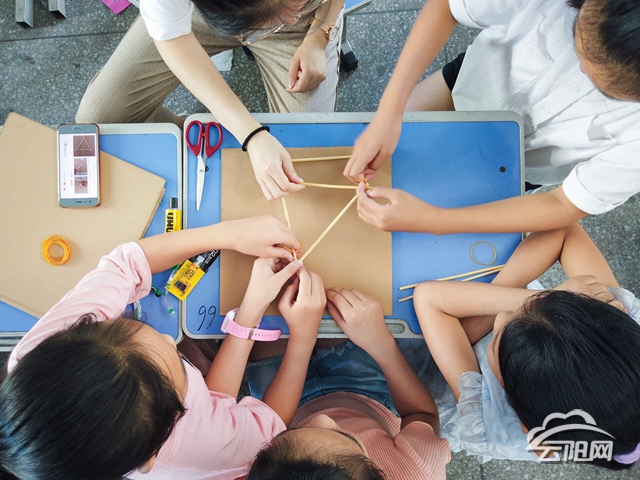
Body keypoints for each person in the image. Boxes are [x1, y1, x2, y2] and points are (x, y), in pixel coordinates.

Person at [0, 216, 329, 479]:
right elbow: (267, 422)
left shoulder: (40, 357)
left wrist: (229, 235)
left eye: (126, 328)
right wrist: (304, 336)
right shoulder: (198, 453)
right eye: (177, 362)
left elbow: (127, 263)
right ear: (152, 454)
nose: (171, 341)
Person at [345, 0, 640, 235]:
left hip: (517, 167)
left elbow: (563, 203)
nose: (580, 70)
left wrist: (434, 220)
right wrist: (389, 113)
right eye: (576, 39)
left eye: (605, 90)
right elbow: (448, 6)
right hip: (465, 87)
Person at [413, 222, 640, 469]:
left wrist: (544, 300)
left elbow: (430, 299)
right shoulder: (620, 331)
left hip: (429, 379)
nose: (501, 317)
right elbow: (561, 229)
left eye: (498, 339)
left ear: (525, 425)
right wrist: (534, 303)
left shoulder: (489, 421)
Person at [76, 0, 345, 201]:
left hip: (306, 24)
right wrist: (251, 134)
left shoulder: (293, 14)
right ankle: (196, 135)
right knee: (101, 119)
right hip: (198, 17)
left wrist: (318, 37)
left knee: (304, 164)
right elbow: (174, 40)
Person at [243, 288, 450, 479]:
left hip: (280, 414)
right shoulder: (418, 473)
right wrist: (379, 339)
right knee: (340, 297)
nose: (323, 418)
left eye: (287, 438)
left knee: (270, 303)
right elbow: (421, 413)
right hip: (365, 393)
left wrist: (302, 338)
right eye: (345, 435)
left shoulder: (241, 459)